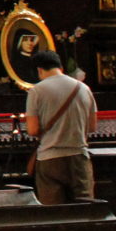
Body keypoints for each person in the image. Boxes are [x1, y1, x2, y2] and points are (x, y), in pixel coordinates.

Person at [23, 49, 97, 204]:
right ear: (61, 67)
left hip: (50, 159)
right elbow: (91, 127)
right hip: (78, 157)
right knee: (84, 210)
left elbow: (33, 130)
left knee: (55, 214)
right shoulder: (84, 88)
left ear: (39, 70)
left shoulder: (37, 91)